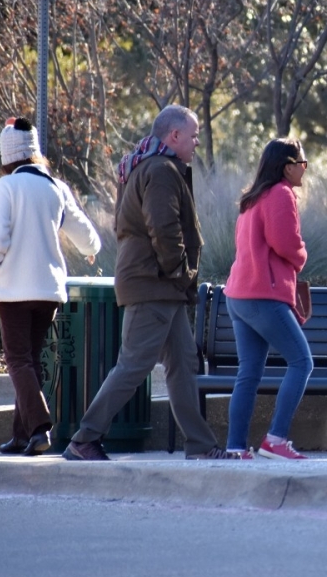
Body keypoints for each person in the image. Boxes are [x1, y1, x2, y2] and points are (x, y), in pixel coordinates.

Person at [63, 105, 239, 461]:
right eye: (192, 135)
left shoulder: (144, 166)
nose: (196, 143)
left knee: (184, 364)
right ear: (173, 136)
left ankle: (201, 445)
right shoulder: (160, 170)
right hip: (154, 284)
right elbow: (164, 229)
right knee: (134, 364)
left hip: (158, 286)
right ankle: (85, 438)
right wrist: (183, 273)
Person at [0, 117, 102, 456]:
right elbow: (86, 235)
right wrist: (91, 252)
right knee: (30, 359)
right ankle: (22, 435)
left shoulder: (7, 187)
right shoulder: (55, 186)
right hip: (48, 290)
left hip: (13, 289)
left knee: (18, 360)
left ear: (7, 157)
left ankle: (40, 428)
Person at [224, 138, 313, 460]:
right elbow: (286, 243)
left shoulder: (252, 198)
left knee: (248, 373)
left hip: (239, 295)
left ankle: (236, 447)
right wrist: (302, 256)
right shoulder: (281, 194)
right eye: (302, 164)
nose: (304, 170)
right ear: (287, 166)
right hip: (264, 294)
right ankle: (275, 439)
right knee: (302, 362)